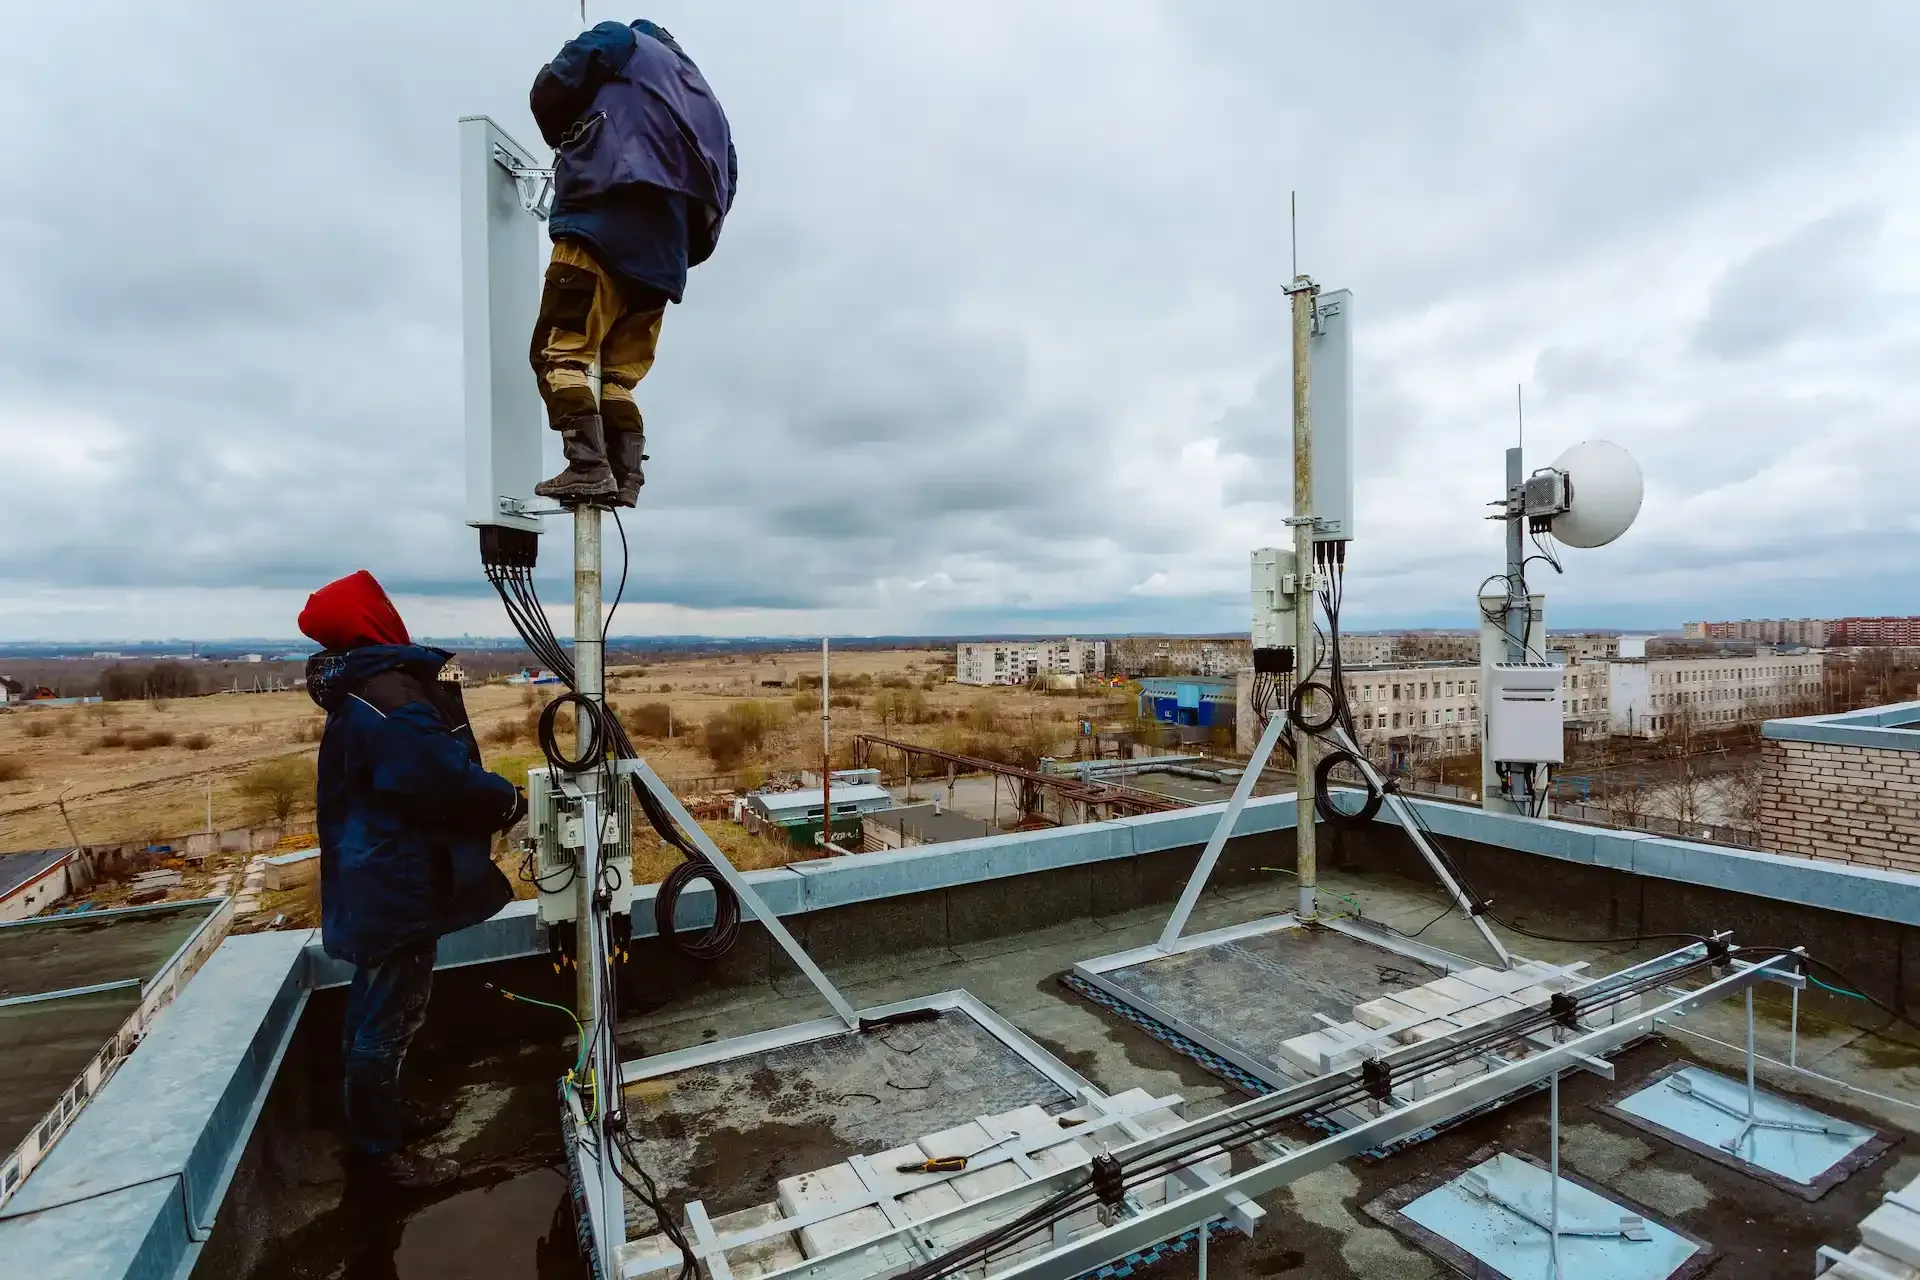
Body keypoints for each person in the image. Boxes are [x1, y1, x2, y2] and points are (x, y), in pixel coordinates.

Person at [300, 570, 526, 1189]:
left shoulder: (364, 689)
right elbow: (440, 779)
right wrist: (509, 802)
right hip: (395, 878)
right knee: (390, 1015)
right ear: (373, 620)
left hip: (377, 870)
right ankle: (380, 1155)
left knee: (378, 1007)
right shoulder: (390, 698)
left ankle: (385, 1119)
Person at [528, 18, 737, 507]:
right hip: (666, 251)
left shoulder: (621, 40)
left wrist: (564, 134)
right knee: (618, 376)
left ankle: (587, 465)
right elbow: (728, 174)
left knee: (560, 352)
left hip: (605, 211)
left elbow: (553, 87)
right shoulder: (706, 98)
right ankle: (625, 476)